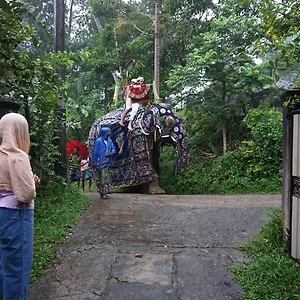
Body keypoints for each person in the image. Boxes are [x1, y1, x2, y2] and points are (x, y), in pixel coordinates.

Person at [0, 113, 40, 300]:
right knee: (18, 265)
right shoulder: (18, 157)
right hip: (17, 215)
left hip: (2, 213)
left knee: (4, 263)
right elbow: (25, 194)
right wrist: (31, 184)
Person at [92, 127, 116, 199]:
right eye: (109, 132)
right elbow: (95, 152)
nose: (110, 133)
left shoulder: (110, 141)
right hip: (101, 162)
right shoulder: (99, 141)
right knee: (102, 178)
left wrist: (110, 153)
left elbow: (114, 149)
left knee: (107, 178)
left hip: (107, 162)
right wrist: (94, 162)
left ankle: (105, 193)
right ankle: (102, 193)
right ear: (105, 133)